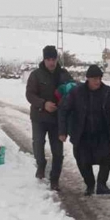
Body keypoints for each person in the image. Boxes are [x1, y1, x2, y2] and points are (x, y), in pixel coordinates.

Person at [59, 65, 110, 196]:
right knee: (83, 161)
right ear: (88, 79)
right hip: (82, 133)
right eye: (94, 79)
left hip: (101, 133)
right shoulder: (76, 92)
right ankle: (90, 184)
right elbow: (64, 110)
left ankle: (102, 184)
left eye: (99, 78)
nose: (97, 81)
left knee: (106, 159)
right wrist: (62, 131)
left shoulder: (107, 91)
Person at [26, 45, 72, 191]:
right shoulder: (36, 75)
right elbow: (30, 95)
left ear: (57, 59)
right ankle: (41, 164)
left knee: (58, 151)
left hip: (57, 120)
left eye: (53, 59)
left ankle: (55, 179)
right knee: (38, 144)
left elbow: (73, 91)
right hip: (39, 117)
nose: (51, 62)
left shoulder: (64, 74)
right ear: (44, 59)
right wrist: (43, 104)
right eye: (48, 59)